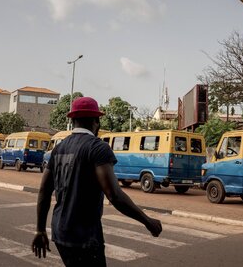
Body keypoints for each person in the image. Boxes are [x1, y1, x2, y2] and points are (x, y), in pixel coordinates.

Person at [32, 97, 162, 266]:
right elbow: (114, 195)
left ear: (73, 121)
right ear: (96, 121)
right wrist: (147, 221)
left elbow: (44, 190)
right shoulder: (97, 148)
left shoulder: (59, 148)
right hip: (84, 236)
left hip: (60, 232)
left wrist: (40, 229)